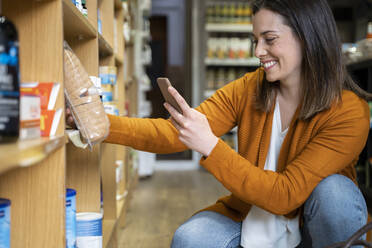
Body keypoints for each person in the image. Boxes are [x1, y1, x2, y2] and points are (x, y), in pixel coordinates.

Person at [67, 0, 371, 247]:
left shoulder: (349, 111)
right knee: (190, 239)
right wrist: (101, 123)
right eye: (255, 40)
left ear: (308, 36)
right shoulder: (250, 89)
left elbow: (285, 195)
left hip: (313, 230)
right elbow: (173, 134)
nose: (258, 52)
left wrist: (211, 146)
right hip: (252, 218)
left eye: (270, 39)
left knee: (335, 192)